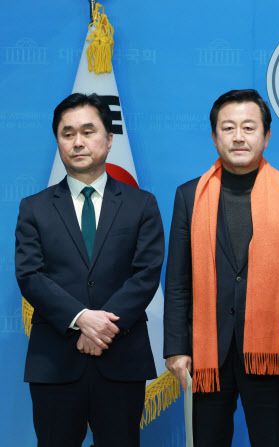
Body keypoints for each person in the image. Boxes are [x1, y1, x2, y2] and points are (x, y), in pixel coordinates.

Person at [163, 89, 279, 446]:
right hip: (207, 351)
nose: (238, 137)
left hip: (271, 351)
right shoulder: (189, 195)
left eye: (248, 128)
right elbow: (177, 281)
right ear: (214, 136)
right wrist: (176, 346)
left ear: (266, 135)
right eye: (228, 127)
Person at [15, 93, 164, 447]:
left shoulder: (141, 204)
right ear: (58, 142)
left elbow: (146, 273)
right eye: (67, 134)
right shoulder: (34, 208)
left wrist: (101, 328)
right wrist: (81, 319)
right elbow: (30, 275)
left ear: (109, 140)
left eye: (87, 131)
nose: (78, 142)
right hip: (54, 360)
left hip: (121, 358)